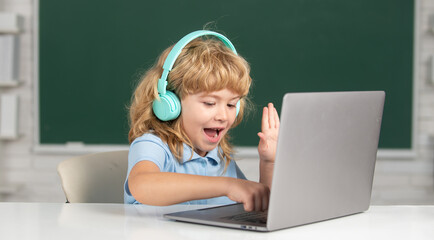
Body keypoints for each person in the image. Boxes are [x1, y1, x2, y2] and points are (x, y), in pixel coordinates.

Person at [124, 30, 279, 212]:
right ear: (172, 102)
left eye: (231, 105)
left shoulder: (218, 157)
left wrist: (269, 163)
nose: (222, 116)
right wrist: (227, 185)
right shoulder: (154, 144)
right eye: (210, 103)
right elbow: (142, 185)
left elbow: (258, 206)